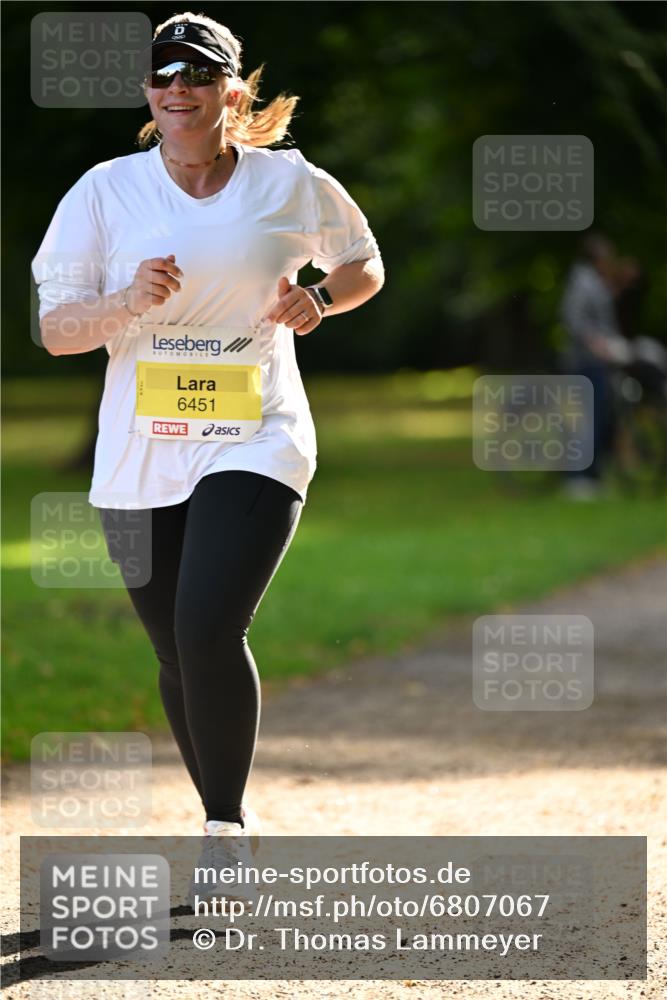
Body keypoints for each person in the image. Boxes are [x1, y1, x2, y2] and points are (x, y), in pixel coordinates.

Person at [31, 11, 384, 856]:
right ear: (147, 94)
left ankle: (224, 826)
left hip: (253, 430)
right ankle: (219, 806)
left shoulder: (289, 182)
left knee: (206, 628)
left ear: (232, 91)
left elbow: (362, 261)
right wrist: (123, 303)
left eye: (195, 76)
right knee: (175, 651)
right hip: (141, 442)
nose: (177, 90)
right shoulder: (105, 190)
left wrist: (321, 298)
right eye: (162, 77)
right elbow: (55, 331)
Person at [558, 233, 629, 499]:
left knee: (601, 419)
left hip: (599, 363)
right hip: (584, 363)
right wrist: (596, 343)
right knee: (585, 421)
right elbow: (573, 319)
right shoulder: (582, 281)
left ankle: (593, 476)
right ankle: (578, 480)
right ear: (596, 255)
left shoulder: (595, 281)